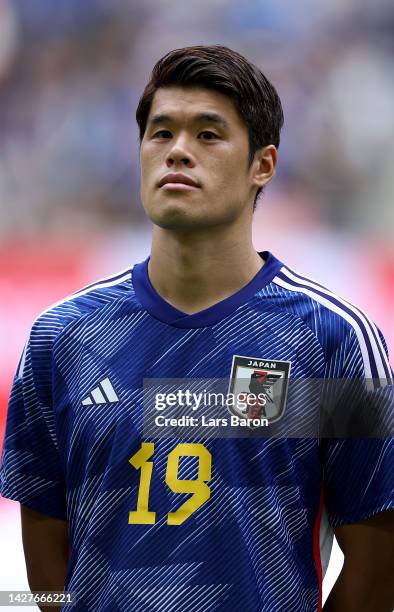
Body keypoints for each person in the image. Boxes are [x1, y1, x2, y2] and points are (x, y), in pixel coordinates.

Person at [1, 45, 393, 612]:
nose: (177, 151)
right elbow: (44, 548)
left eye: (208, 134)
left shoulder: (333, 340)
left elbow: (379, 553)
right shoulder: (63, 337)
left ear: (263, 164)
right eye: (160, 133)